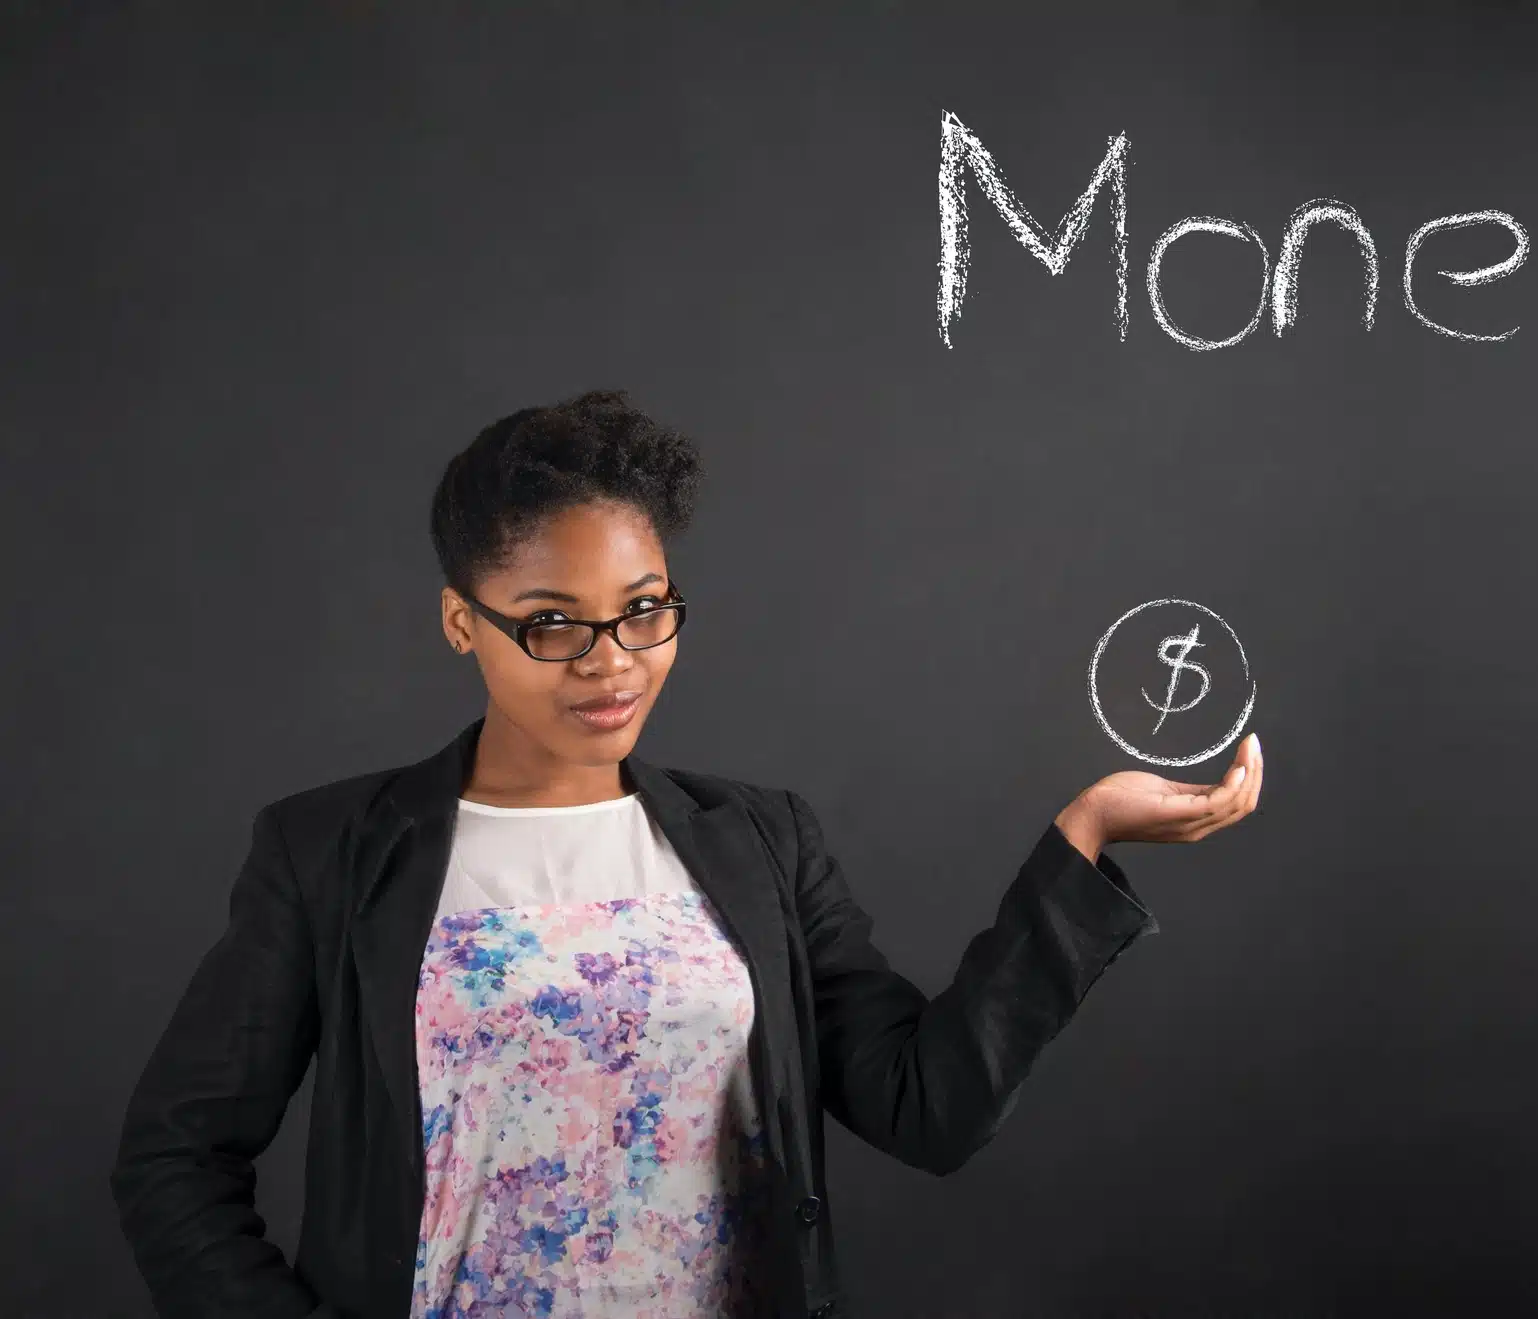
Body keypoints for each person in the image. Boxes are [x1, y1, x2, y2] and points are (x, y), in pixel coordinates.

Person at [109, 388, 1264, 1319]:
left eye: (644, 608)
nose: (611, 660)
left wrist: (1082, 842)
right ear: (463, 620)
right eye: (552, 622)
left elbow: (929, 1105)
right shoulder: (334, 852)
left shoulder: (759, 841)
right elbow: (173, 1157)